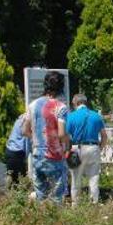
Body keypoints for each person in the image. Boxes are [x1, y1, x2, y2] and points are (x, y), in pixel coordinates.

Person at [23, 71, 68, 202]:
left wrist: (37, 140)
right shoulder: (61, 107)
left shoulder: (33, 105)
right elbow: (61, 134)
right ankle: (56, 222)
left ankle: (41, 221)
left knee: (41, 196)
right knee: (56, 197)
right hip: (54, 156)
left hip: (37, 154)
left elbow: (25, 130)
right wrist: (66, 143)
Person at [66, 94, 107, 202]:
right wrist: (100, 148)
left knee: (76, 178)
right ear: (85, 102)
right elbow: (104, 136)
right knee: (94, 178)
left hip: (77, 148)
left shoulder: (71, 116)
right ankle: (94, 202)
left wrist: (67, 149)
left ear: (75, 103)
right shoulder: (96, 116)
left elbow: (66, 135)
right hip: (93, 147)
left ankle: (76, 204)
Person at [5, 113, 30, 186]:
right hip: (17, 153)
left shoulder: (20, 119)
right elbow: (26, 142)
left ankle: (12, 194)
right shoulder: (27, 122)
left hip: (9, 150)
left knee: (12, 179)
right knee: (20, 182)